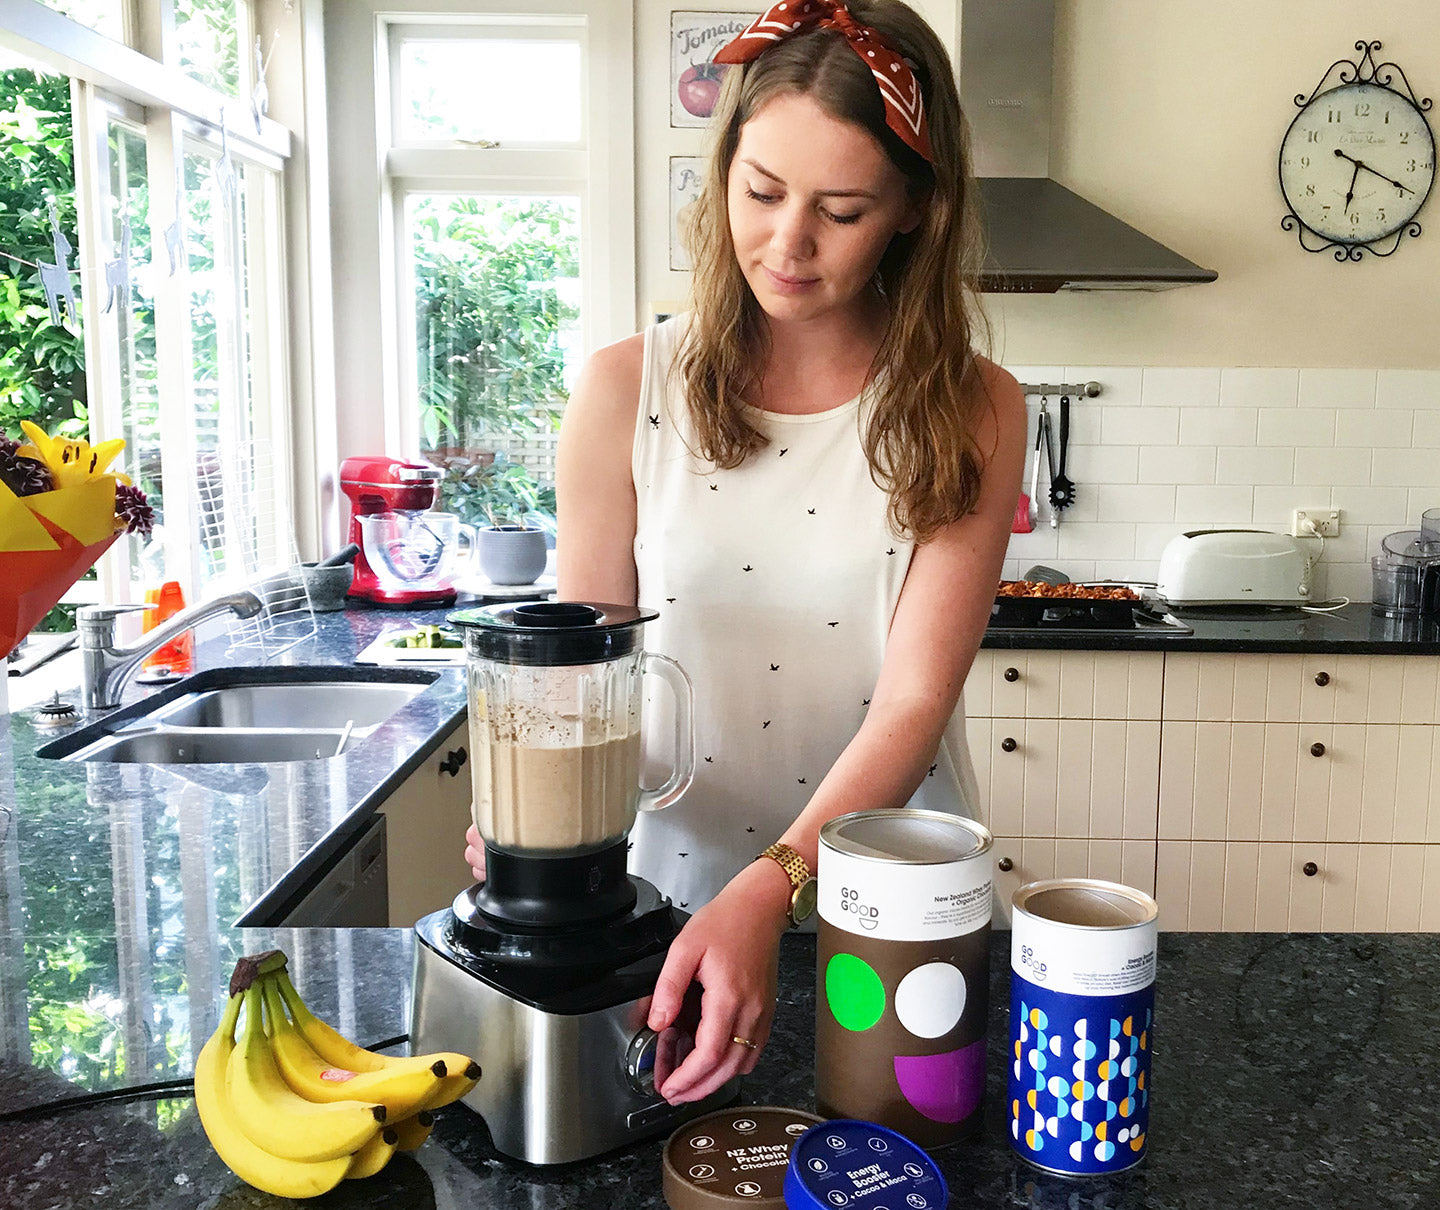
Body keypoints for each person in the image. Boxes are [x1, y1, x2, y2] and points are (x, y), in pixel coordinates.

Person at [462, 0, 1025, 1108]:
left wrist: (776, 888)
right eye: (761, 192)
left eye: (842, 209)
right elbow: (590, 668)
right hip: (666, 903)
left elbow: (912, 706)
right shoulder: (627, 389)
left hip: (892, 911)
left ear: (917, 211)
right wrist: (542, 831)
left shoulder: (974, 407)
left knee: (899, 1154)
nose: (787, 242)